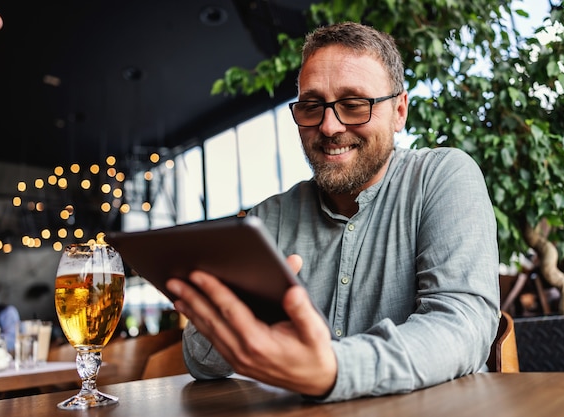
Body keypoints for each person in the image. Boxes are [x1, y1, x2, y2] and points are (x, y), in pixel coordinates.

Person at [166, 21, 500, 402]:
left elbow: (463, 326)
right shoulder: (265, 221)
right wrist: (234, 306)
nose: (328, 126)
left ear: (399, 111)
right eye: (311, 106)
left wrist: (333, 369)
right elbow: (201, 364)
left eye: (353, 104)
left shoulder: (442, 176)